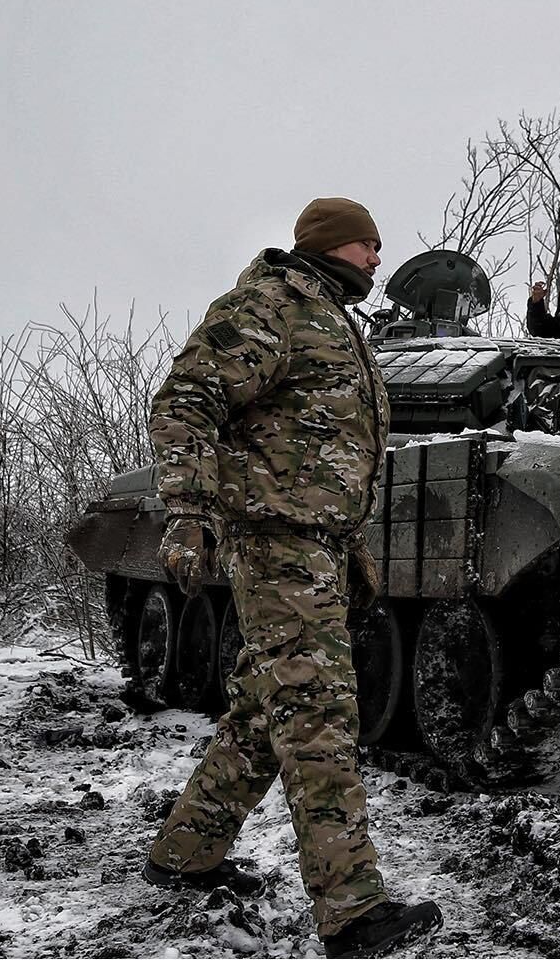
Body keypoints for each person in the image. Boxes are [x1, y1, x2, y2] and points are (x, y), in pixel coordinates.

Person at [141, 197, 442, 959]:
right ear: (333, 243)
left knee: (261, 711)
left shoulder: (332, 317)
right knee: (317, 714)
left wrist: (350, 547)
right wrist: (189, 510)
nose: (378, 258)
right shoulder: (271, 305)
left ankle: (185, 853)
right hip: (277, 542)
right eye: (369, 244)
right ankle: (352, 912)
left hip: (315, 545)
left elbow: (323, 450)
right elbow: (185, 402)